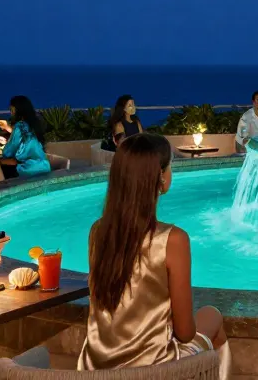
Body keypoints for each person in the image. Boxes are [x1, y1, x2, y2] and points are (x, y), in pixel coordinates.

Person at [80, 133, 229, 374]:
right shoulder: (173, 240)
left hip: (95, 368)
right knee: (212, 316)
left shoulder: (98, 232)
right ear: (161, 177)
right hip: (153, 371)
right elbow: (185, 333)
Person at [0, 96, 51, 178]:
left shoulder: (20, 126)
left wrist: (3, 147)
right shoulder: (35, 124)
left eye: (11, 110)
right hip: (44, 167)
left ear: (17, 110)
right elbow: (28, 140)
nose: (11, 113)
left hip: (28, 169)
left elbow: (8, 152)